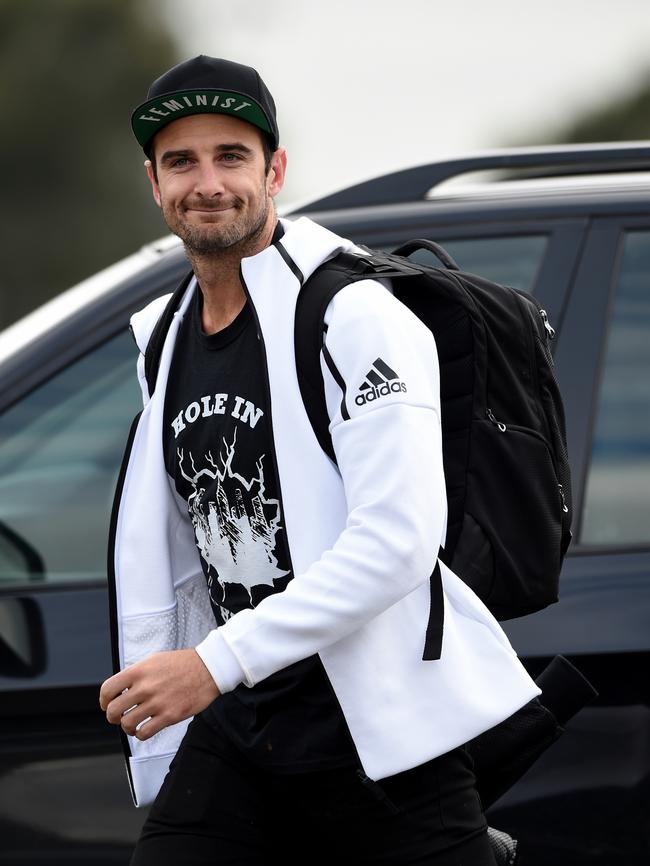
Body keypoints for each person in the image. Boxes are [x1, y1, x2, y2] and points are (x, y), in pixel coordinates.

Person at [100, 55, 540, 865]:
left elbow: (398, 541)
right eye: (180, 162)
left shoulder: (355, 315)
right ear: (154, 185)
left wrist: (210, 663)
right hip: (244, 715)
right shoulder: (163, 336)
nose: (208, 183)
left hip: (370, 718)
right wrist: (197, 664)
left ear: (276, 170)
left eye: (231, 156)